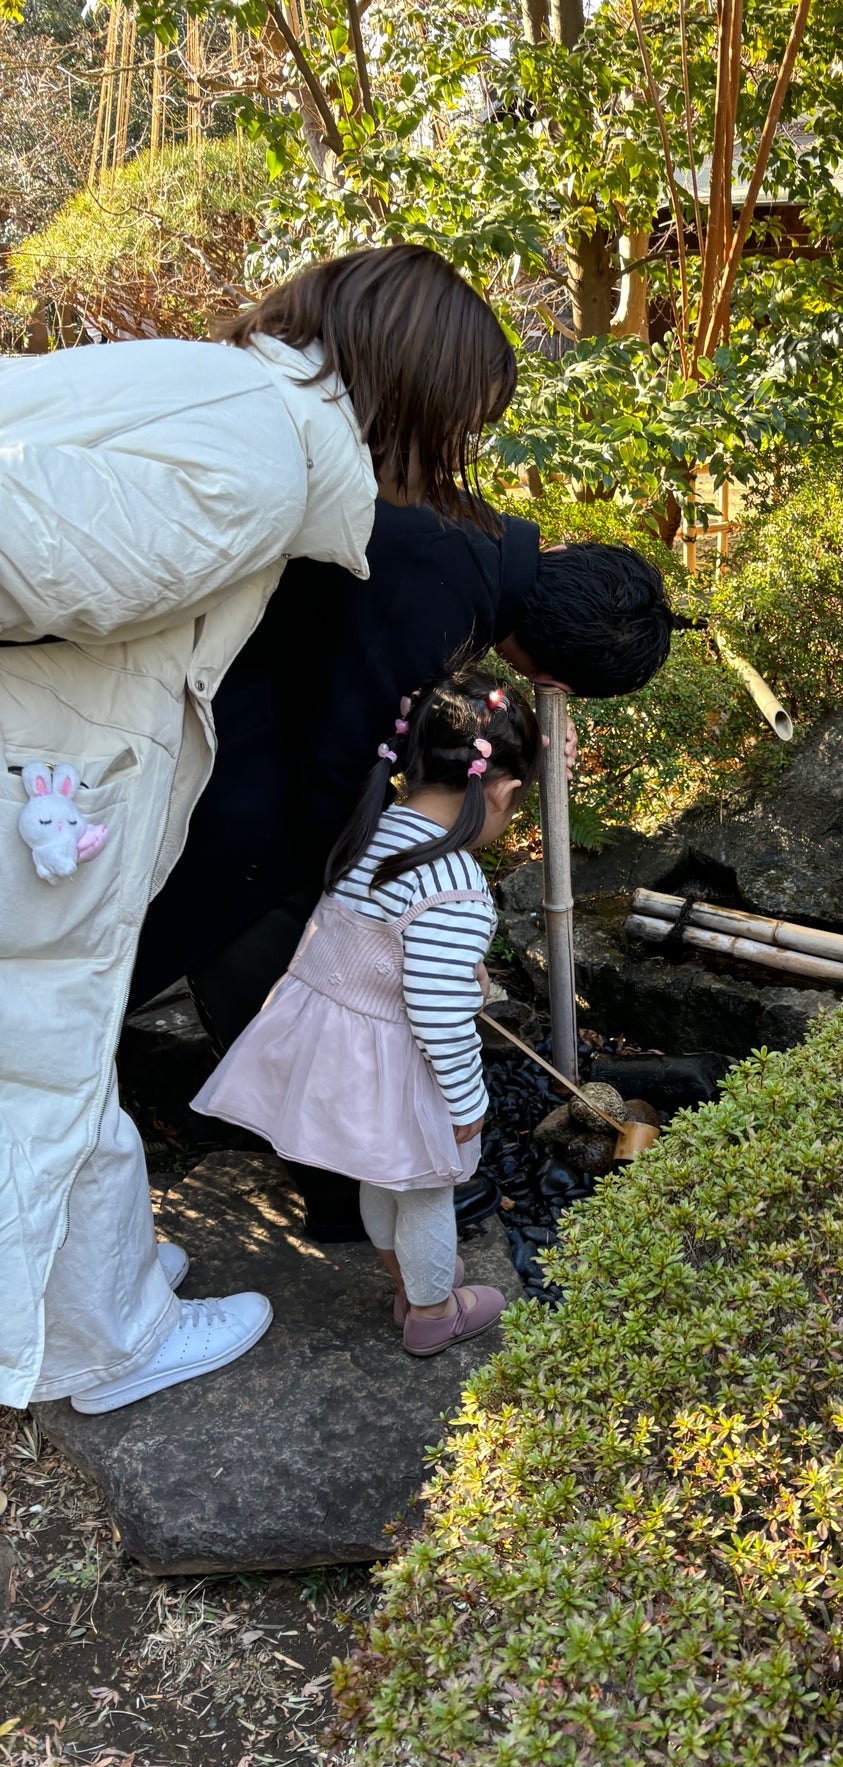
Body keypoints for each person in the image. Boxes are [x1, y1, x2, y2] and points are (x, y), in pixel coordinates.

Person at [0, 243, 516, 1414]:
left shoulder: (209, 384)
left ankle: (94, 1294)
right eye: (462, 423)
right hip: (42, 784)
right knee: (44, 1051)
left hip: (47, 762)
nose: (456, 456)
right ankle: (114, 1339)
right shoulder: (256, 462)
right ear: (418, 395)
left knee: (46, 1053)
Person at [129, 510, 685, 1238]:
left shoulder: (461, 540)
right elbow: (335, 770)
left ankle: (350, 1184)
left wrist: (511, 731)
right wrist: (380, 886)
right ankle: (353, 1193)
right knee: (301, 985)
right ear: (553, 678)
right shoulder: (437, 610)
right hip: (234, 796)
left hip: (232, 741)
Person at [189, 669, 539, 1360]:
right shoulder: (455, 883)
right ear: (502, 791)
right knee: (428, 1191)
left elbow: (382, 946)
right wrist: (467, 1098)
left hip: (341, 1047)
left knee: (378, 1175)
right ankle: (434, 1309)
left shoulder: (375, 829)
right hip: (400, 1061)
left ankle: (405, 1277)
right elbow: (437, 1014)